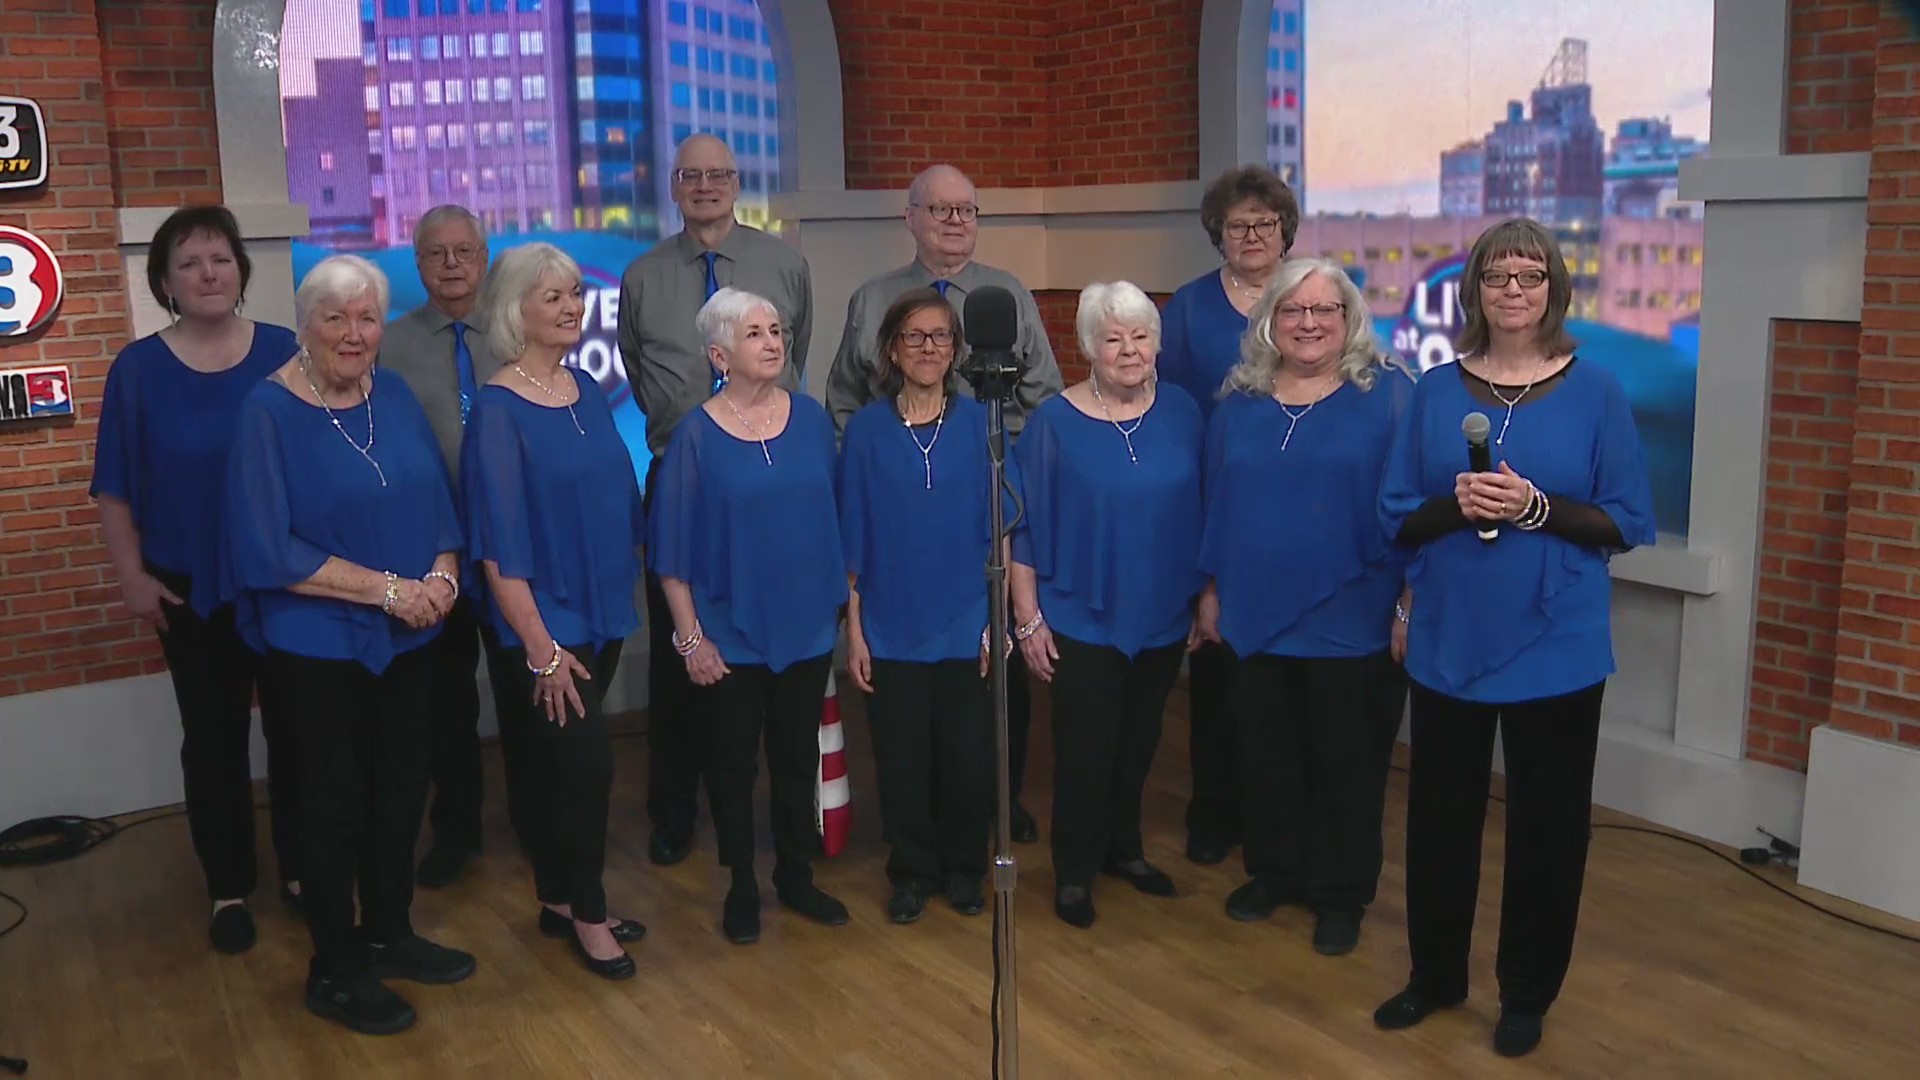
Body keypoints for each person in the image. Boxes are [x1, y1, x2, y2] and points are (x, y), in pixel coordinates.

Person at [1372, 218, 1655, 1057]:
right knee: (1440, 818)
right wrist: (1457, 505)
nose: (1515, 291)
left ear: (1555, 289)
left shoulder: (1597, 389)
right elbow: (1398, 517)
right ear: (1475, 291)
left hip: (1557, 638)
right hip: (1452, 635)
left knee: (1549, 825)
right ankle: (1436, 976)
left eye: (1531, 276)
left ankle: (1525, 992)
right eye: (1498, 277)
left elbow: (1627, 520)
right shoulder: (1431, 390)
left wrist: (1536, 509)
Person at [222, 254, 475, 1036]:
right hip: (317, 648)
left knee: (401, 794)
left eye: (367, 317)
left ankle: (388, 931)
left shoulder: (392, 395)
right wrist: (389, 591)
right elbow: (268, 548)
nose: (355, 333)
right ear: (306, 326)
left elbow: (437, 501)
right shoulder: (266, 412)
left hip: (408, 642)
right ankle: (335, 967)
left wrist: (441, 576)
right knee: (331, 811)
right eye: (336, 318)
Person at [825, 162, 1064, 843]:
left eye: (968, 210)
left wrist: (996, 461)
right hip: (901, 503)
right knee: (909, 692)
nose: (956, 221)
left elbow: (1041, 393)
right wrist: (880, 463)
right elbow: (845, 396)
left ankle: (998, 799)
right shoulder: (874, 300)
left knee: (993, 678)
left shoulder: (1005, 294)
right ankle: (921, 821)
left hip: (981, 495)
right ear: (912, 218)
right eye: (941, 210)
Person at [90, 204, 303, 955]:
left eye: (220, 258)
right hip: (186, 586)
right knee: (212, 743)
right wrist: (131, 576)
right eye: (190, 263)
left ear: (241, 271)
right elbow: (114, 488)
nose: (208, 273)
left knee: (298, 731)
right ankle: (229, 888)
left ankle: (304, 871)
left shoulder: (285, 351)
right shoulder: (138, 371)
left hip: (284, 582)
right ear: (166, 283)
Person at [1192, 257, 1412, 956]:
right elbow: (1214, 503)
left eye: (1325, 310)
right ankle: (1274, 873)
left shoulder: (1390, 398)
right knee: (1266, 754)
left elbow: (1414, 509)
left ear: (1348, 321)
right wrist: (1212, 592)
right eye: (1293, 310)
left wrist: (1408, 602)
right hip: (1253, 610)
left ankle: (1341, 894)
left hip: (1355, 612)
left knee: (1347, 764)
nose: (1309, 323)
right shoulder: (1239, 403)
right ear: (1270, 322)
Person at [617, 133, 814, 868]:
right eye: (691, 175)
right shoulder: (642, 275)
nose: (705, 186)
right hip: (681, 470)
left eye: (718, 175)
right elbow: (640, 373)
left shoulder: (784, 265)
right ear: (674, 185)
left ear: (738, 183)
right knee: (681, 653)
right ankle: (674, 812)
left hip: (767, 478)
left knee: (767, 652)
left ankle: (773, 820)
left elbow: (792, 360)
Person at [463, 244, 648, 980]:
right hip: (543, 626)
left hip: (598, 612)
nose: (572, 307)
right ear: (517, 311)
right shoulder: (498, 411)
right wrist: (538, 647)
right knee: (587, 771)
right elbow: (499, 549)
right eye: (552, 297)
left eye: (575, 293)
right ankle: (593, 914)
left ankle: (561, 899)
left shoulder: (587, 386)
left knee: (556, 772)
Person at [648, 288, 850, 945]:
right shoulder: (696, 438)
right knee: (732, 767)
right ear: (719, 353)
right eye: (756, 333)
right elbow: (670, 554)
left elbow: (838, 517)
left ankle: (796, 876)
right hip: (728, 633)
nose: (773, 342)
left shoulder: (814, 421)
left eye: (777, 330)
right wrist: (691, 638)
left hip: (806, 626)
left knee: (796, 759)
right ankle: (740, 884)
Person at [1011, 281, 1205, 929]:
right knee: (1085, 749)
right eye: (1112, 337)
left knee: (1139, 742)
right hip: (1078, 614)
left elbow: (1207, 508)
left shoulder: (1182, 411)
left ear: (1158, 344)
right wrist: (1028, 615)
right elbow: (1023, 527)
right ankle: (1073, 871)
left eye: (1140, 335)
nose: (1128, 349)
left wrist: (1207, 595)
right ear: (1089, 347)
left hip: (1161, 612)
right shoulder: (1053, 422)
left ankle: (1124, 848)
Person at [839, 289, 1006, 924]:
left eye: (941, 337)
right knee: (903, 760)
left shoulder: (981, 425)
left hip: (967, 619)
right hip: (889, 619)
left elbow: (1000, 530)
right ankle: (911, 870)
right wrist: (855, 634)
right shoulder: (865, 432)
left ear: (957, 349)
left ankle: (965, 869)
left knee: (966, 759)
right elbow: (852, 541)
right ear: (891, 350)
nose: (930, 348)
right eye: (916, 337)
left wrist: (997, 620)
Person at [1158, 165, 1301, 867]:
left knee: (1287, 678)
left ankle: (1282, 817)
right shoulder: (1185, 308)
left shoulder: (1315, 299)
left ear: (1285, 233)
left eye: (1265, 224)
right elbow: (1174, 415)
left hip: (1298, 518)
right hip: (1216, 510)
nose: (1251, 235)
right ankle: (1215, 812)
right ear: (1218, 233)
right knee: (1218, 678)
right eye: (1238, 225)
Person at [380, 204, 513, 887]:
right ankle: (457, 830)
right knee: (447, 702)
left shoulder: (519, 333)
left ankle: (533, 820)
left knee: (525, 689)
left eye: (464, 251)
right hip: (437, 554)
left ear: (484, 256)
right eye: (437, 253)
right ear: (418, 262)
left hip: (514, 548)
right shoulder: (389, 345)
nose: (453, 264)